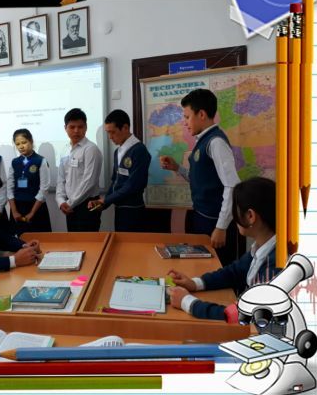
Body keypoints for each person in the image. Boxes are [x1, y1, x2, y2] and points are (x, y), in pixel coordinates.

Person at [167, 177, 280, 321]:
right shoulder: (262, 246)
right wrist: (195, 283)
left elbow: (244, 315)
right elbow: (233, 272)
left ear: (250, 216)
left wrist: (186, 302)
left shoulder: (276, 264)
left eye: (235, 210)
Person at [159, 88, 243, 266]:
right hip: (201, 217)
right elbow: (201, 179)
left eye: (187, 117)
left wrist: (221, 227)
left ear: (202, 114)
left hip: (214, 222)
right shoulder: (203, 140)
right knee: (203, 268)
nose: (185, 122)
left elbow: (232, 186)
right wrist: (177, 168)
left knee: (218, 270)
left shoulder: (216, 142)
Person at [88, 110, 151, 232]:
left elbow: (132, 185)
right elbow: (114, 182)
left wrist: (106, 200)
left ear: (125, 128)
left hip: (133, 210)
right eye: (108, 132)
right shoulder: (118, 151)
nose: (110, 137)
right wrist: (103, 204)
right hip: (119, 209)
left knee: (131, 243)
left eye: (113, 132)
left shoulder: (139, 150)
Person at [56, 108, 103, 232]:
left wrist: (70, 203)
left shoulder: (91, 149)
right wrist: (60, 201)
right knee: (73, 242)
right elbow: (61, 179)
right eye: (72, 127)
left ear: (86, 127)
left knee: (88, 242)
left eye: (80, 127)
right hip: (70, 206)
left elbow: (89, 182)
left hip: (87, 205)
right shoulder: (65, 150)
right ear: (65, 128)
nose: (76, 131)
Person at [7, 128, 52, 235]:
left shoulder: (40, 160)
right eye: (18, 144)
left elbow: (44, 188)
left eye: (24, 142)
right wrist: (14, 211)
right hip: (18, 207)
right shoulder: (15, 162)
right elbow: (9, 187)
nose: (21, 146)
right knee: (19, 240)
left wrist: (32, 212)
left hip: (36, 207)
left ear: (31, 141)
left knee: (40, 239)